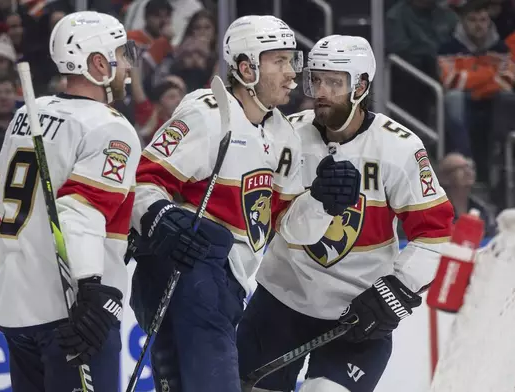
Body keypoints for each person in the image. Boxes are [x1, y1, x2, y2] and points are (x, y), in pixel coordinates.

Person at [129, 16, 362, 392]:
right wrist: (164, 218)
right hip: (188, 272)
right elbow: (143, 181)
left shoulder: (283, 134)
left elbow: (286, 225)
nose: (292, 72)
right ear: (245, 67)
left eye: (292, 60)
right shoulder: (207, 114)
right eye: (280, 61)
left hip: (232, 286)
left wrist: (322, 203)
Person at [236, 35, 455, 392]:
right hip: (281, 302)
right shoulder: (286, 134)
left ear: (361, 86)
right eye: (317, 79)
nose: (321, 91)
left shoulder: (398, 148)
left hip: (357, 316)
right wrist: (319, 204)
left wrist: (398, 289)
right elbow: (273, 221)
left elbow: (436, 234)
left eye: (335, 82)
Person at [0, 11, 139, 391]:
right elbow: (79, 213)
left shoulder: (26, 115)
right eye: (122, 54)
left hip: (15, 307)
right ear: (99, 63)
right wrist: (91, 289)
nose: (128, 64)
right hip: (71, 314)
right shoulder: (110, 126)